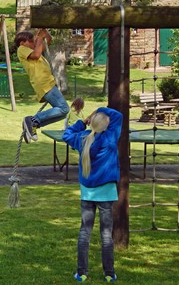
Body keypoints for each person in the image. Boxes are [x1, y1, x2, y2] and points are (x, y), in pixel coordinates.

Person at [62, 107, 122, 283]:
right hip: (106, 193)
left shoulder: (82, 139)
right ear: (107, 126)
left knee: (84, 232)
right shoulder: (110, 137)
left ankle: (81, 273)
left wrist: (83, 121)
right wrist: (99, 109)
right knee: (106, 235)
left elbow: (66, 134)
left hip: (87, 193)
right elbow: (118, 115)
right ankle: (109, 274)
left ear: (92, 124)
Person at [15, 30, 69, 143]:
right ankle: (33, 120)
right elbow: (36, 55)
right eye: (30, 41)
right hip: (43, 83)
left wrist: (45, 33)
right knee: (64, 108)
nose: (33, 43)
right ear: (22, 43)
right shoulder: (21, 49)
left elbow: (48, 41)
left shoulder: (33, 49)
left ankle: (32, 125)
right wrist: (39, 37)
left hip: (47, 83)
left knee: (62, 114)